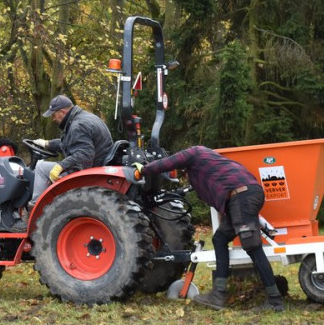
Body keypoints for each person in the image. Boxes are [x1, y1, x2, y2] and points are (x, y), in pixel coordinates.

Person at [134, 146, 285, 312]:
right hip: (241, 197)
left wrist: (144, 169)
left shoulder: (194, 152)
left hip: (242, 196)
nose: (185, 175)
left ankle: (275, 302)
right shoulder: (209, 165)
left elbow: (169, 163)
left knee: (252, 247)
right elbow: (220, 200)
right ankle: (218, 295)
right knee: (219, 238)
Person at [27, 95, 113, 210]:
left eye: (53, 115)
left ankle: (36, 209)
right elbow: (72, 143)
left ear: (62, 112)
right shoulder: (87, 118)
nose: (53, 119)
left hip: (87, 171)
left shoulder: (77, 125)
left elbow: (85, 154)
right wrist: (47, 144)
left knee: (41, 167)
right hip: (97, 166)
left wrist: (61, 166)